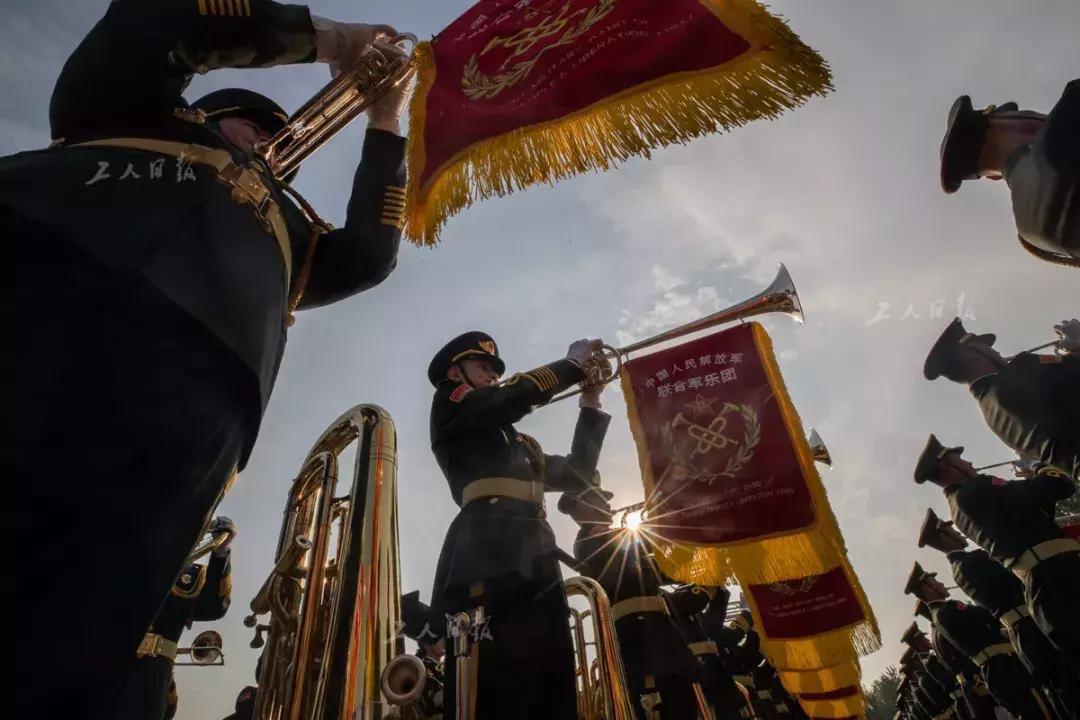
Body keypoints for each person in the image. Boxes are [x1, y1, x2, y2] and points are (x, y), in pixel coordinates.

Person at [5, 2, 412, 715]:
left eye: (273, 131)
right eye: (247, 123)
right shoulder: (127, 105)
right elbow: (158, 18)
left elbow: (371, 256)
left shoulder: (293, 233)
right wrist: (328, 42)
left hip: (203, 399)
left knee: (78, 637)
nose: (266, 138)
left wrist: (386, 121)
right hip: (48, 293)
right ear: (200, 110)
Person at [427, 331, 614, 720]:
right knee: (495, 679)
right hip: (488, 555)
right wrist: (570, 367)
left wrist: (590, 401)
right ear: (455, 372)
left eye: (496, 371)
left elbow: (579, 473)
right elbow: (508, 399)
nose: (493, 375)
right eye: (483, 367)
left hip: (538, 561)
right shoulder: (451, 402)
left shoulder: (523, 446)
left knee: (551, 677)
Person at [914, 434, 1080, 669]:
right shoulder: (976, 490)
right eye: (959, 459)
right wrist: (1037, 465)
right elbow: (1060, 486)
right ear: (945, 465)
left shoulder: (961, 506)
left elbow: (1028, 520)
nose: (969, 463)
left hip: (1047, 584)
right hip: (1061, 576)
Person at [918, 509, 1079, 717]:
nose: (959, 534)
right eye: (952, 531)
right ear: (943, 536)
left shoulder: (962, 568)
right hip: (1022, 640)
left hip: (1018, 642)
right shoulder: (971, 562)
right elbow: (993, 608)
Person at [568, 497, 702, 719]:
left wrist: (697, 564)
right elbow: (638, 543)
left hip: (658, 630)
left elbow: (655, 572)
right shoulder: (589, 538)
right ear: (585, 508)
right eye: (601, 502)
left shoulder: (619, 544)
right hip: (637, 633)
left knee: (683, 703)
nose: (609, 507)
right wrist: (668, 518)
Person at [938, 80, 1079, 265]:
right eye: (1020, 112)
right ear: (999, 121)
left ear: (993, 177)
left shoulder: (1030, 231)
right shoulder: (1069, 114)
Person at [110, 517, 236, 720]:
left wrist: (220, 553)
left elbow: (215, 606)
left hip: (152, 673)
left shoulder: (191, 576)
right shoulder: (123, 563)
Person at [923, 318, 1080, 477]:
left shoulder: (990, 413)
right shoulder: (1019, 370)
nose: (996, 351)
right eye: (986, 347)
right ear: (971, 353)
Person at [904, 563, 1054, 720]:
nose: (940, 583)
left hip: (995, 670)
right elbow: (986, 616)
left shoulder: (940, 617)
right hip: (1003, 666)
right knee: (1041, 710)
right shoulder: (948, 610)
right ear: (927, 588)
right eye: (934, 582)